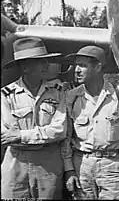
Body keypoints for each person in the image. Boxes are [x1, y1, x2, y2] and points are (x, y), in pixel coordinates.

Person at [63, 45, 119, 200]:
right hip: (81, 164)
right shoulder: (71, 97)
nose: (76, 70)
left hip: (112, 163)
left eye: (83, 66)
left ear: (98, 67)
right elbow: (66, 137)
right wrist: (69, 170)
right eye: (76, 65)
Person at [1, 37, 68, 199]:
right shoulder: (6, 95)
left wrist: (22, 135)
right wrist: (43, 135)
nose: (46, 65)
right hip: (17, 163)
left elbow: (59, 130)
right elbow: (6, 135)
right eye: (40, 61)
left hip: (48, 165)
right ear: (25, 67)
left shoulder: (57, 93)